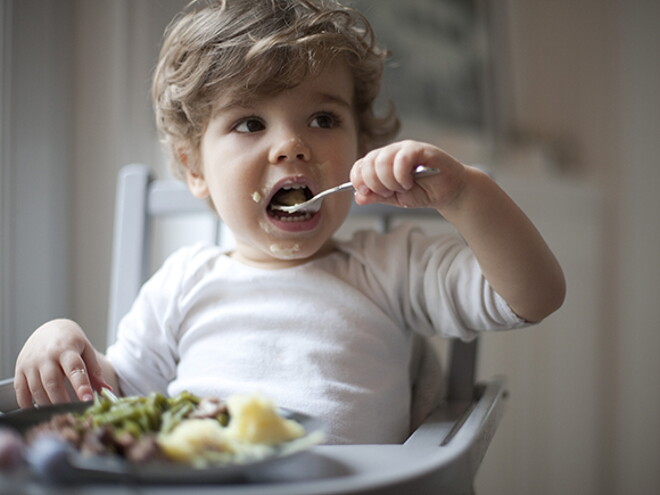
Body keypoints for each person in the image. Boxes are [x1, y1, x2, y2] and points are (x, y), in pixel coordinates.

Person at [14, 0, 565, 444]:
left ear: (362, 146)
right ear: (193, 167)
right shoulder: (182, 284)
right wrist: (60, 343)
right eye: (250, 122)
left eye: (323, 119)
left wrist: (466, 194)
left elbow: (534, 296)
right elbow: (121, 401)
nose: (293, 146)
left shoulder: (392, 268)